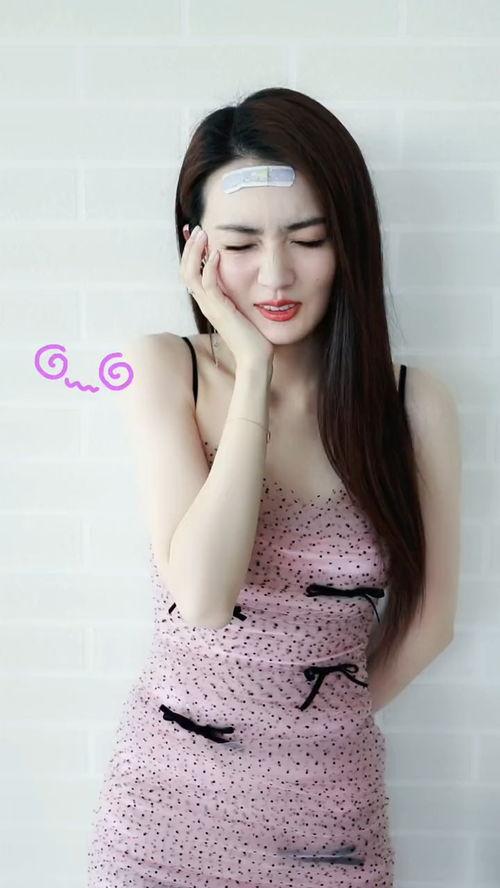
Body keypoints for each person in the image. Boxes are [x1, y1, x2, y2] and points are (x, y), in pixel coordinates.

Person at [87, 87, 460, 887]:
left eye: (309, 238)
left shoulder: (413, 406)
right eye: (241, 243)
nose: (277, 273)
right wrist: (252, 369)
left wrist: (306, 727)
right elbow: (204, 596)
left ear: (349, 240)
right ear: (196, 250)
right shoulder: (166, 369)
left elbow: (430, 626)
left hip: (331, 823)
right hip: (166, 821)